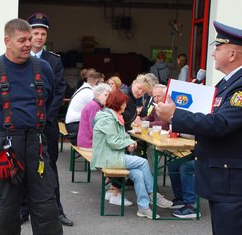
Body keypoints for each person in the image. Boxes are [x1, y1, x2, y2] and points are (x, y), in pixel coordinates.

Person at [0, 18, 62, 235]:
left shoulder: (44, 68)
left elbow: (49, 100)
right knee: (7, 209)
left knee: (46, 206)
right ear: (7, 41)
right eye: (22, 40)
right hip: (6, 147)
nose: (28, 44)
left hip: (36, 145)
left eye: (30, 39)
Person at [156, 21, 242, 235]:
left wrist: (176, 115)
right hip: (223, 178)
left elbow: (221, 124)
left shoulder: (239, 86)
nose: (213, 54)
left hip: (230, 181)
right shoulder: (226, 83)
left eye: (218, 48)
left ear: (232, 54)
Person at [23, 12, 73, 226]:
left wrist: (46, 118)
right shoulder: (20, 58)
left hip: (47, 125)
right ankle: (23, 210)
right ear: (29, 34)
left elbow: (60, 90)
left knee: (49, 167)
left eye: (43, 33)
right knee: (24, 167)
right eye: (35, 32)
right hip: (25, 125)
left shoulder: (54, 60)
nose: (39, 37)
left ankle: (56, 211)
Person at [91, 90, 173, 219]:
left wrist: (129, 142)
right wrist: (127, 144)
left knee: (139, 174)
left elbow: (123, 136)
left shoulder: (113, 116)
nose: (126, 105)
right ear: (119, 103)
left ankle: (143, 208)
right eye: (124, 103)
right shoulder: (108, 119)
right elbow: (114, 142)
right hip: (107, 158)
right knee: (144, 162)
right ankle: (153, 194)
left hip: (113, 155)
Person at [65, 71, 102, 145]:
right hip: (74, 126)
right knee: (101, 131)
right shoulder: (89, 93)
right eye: (102, 83)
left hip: (71, 124)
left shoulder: (84, 88)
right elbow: (99, 111)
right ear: (97, 82)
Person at [77, 83, 112, 150]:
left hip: (86, 141)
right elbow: (94, 128)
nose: (108, 98)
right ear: (97, 95)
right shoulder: (94, 106)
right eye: (106, 95)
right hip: (88, 143)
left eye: (109, 95)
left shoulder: (95, 104)